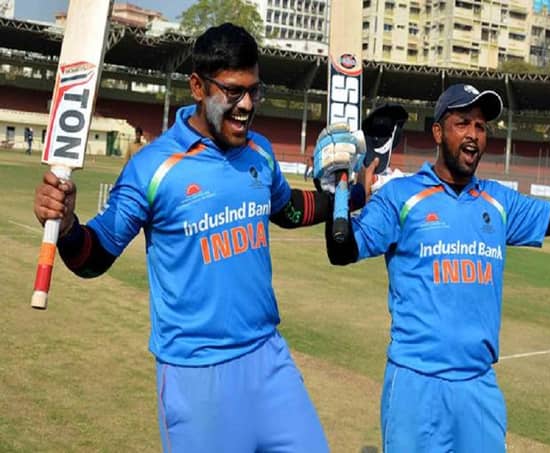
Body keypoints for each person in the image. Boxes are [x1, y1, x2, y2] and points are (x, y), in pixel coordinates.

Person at [33, 23, 363, 453]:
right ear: (197, 87)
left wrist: (350, 194)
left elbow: (288, 210)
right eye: (233, 92)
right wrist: (68, 227)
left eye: (254, 91)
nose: (247, 105)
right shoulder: (153, 167)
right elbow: (94, 256)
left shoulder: (259, 151)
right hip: (195, 375)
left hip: (269, 360)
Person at [313, 83, 550, 452]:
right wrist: (337, 191)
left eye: (480, 126)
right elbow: (342, 250)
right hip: (416, 386)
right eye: (462, 123)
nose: (473, 134)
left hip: (478, 388)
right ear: (438, 132)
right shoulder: (401, 196)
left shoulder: (498, 200)